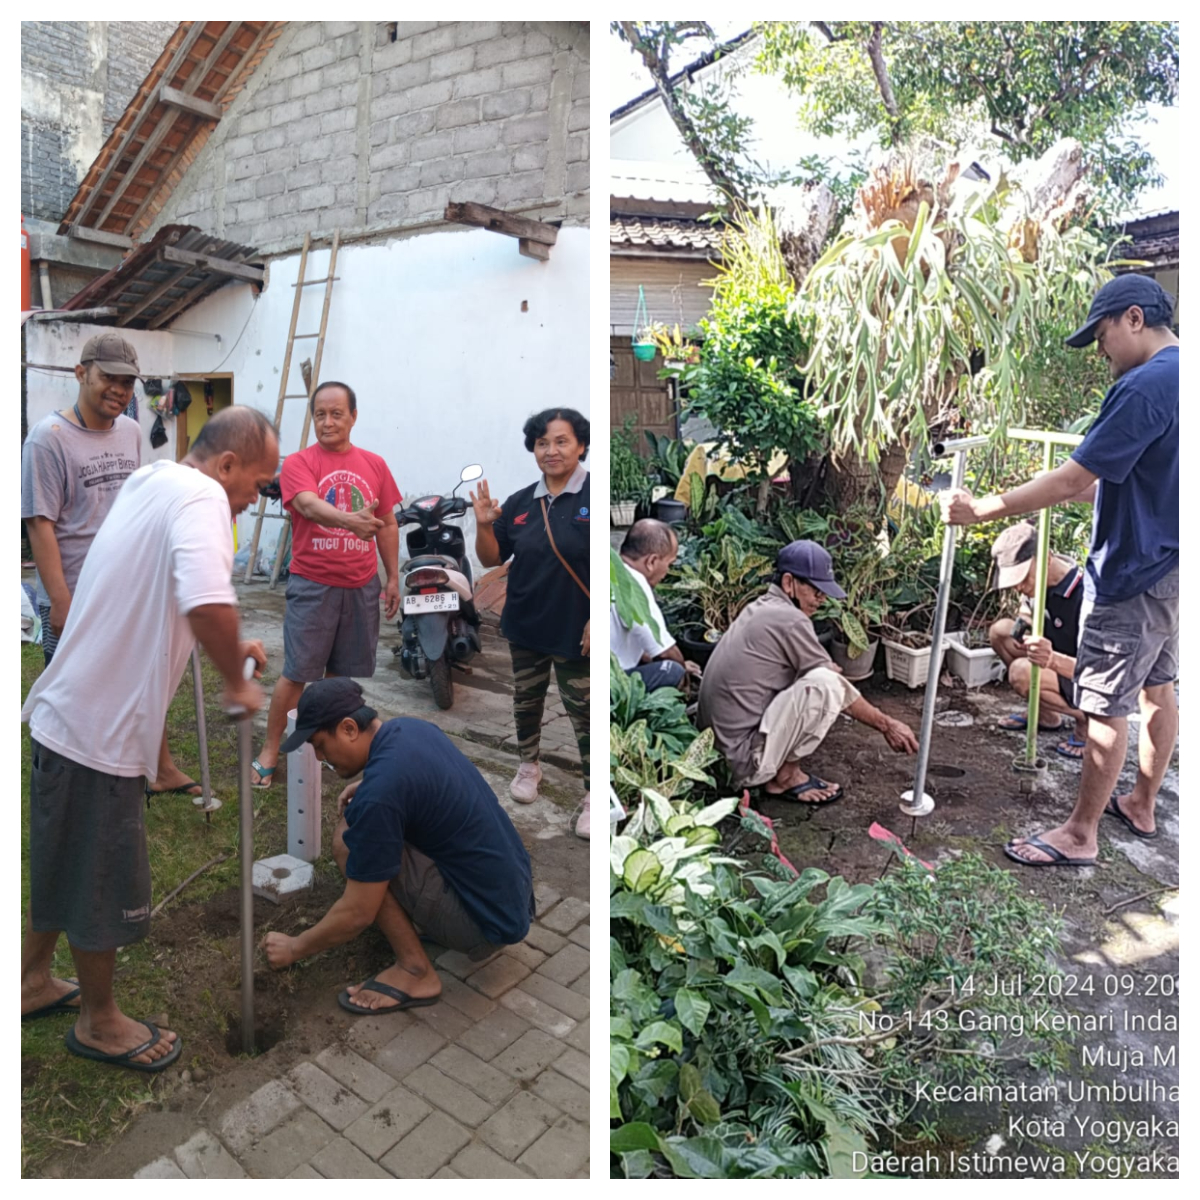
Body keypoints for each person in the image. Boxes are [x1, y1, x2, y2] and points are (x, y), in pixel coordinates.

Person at [20, 407, 277, 1071]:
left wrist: (229, 640)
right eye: (255, 483)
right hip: (99, 734)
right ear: (226, 467)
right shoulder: (204, 498)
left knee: (61, 861)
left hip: (63, 717)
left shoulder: (152, 480)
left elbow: (155, 590)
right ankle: (100, 1021)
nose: (253, 501)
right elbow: (202, 596)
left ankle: (28, 980)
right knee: (100, 877)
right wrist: (236, 681)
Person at [943, 274, 1178, 866]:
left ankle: (1079, 835)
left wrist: (983, 509)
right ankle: (1142, 804)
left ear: (1132, 318)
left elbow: (1076, 477)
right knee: (1158, 689)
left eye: (1100, 336)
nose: (1101, 353)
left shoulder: (1145, 385)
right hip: (1174, 568)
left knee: (1104, 705)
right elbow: (1128, 483)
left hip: (1133, 571)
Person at [260, 679, 534, 1012]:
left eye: (320, 744)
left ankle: (415, 969)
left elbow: (358, 913)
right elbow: (416, 777)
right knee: (366, 827)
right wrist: (370, 783)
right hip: (512, 897)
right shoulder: (410, 729)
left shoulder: (382, 796)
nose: (319, 758)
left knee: (350, 842)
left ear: (348, 728)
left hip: (483, 923)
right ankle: (426, 926)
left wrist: (294, 948)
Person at [21, 334, 207, 801]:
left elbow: (133, 502)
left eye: (127, 382)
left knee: (143, 674)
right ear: (80, 373)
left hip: (124, 583)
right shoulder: (49, 439)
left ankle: (158, 767)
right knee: (74, 693)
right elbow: (40, 525)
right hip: (74, 589)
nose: (119, 391)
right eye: (109, 378)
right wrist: (61, 601)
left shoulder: (129, 430)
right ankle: (67, 782)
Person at [251, 382, 401, 788]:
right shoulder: (300, 461)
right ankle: (270, 748)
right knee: (297, 673)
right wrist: (348, 520)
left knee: (341, 679)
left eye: (337, 413)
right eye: (320, 414)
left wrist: (392, 577)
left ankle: (331, 750)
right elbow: (305, 503)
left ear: (353, 416)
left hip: (361, 586)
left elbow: (387, 522)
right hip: (313, 585)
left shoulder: (375, 464)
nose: (328, 421)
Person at [698, 540, 919, 801]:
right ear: (789, 583)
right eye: (815, 590)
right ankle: (786, 778)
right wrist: (887, 725)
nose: (821, 598)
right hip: (742, 765)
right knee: (825, 686)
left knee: (822, 678)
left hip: (715, 756)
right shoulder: (790, 619)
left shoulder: (760, 608)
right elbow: (832, 684)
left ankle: (780, 770)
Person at [471, 408, 591, 839]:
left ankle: (595, 792)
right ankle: (528, 766)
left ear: (580, 445)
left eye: (561, 441)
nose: (551, 450)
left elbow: (608, 567)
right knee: (527, 700)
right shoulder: (521, 502)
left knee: (586, 713)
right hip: (527, 620)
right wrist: (484, 525)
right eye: (543, 443)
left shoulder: (593, 495)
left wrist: (600, 616)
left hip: (578, 627)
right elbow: (492, 558)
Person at [987, 522, 1089, 760]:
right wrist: (1024, 624)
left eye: (1023, 578)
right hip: (1051, 662)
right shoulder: (1036, 587)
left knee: (1021, 672)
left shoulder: (1085, 594)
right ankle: (1046, 714)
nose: (1019, 587)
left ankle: (1087, 719)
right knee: (1000, 631)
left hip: (1079, 675)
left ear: (1046, 559)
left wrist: (1052, 659)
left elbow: (1094, 667)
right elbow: (1026, 608)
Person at [611, 518, 699, 692]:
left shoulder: (613, 569)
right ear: (651, 561)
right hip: (610, 683)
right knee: (672, 671)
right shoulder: (633, 582)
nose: (667, 573)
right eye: (669, 564)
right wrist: (682, 669)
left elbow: (638, 642)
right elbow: (665, 651)